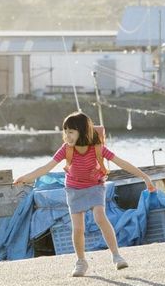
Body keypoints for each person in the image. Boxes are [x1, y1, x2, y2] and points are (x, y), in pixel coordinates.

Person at [14, 111, 156, 277]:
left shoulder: (97, 148)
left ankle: (116, 256)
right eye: (65, 131)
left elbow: (122, 162)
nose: (67, 135)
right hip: (74, 189)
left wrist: (145, 177)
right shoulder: (66, 149)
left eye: (71, 131)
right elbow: (46, 167)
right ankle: (81, 261)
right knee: (78, 228)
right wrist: (25, 177)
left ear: (82, 131)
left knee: (100, 217)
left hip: (95, 186)